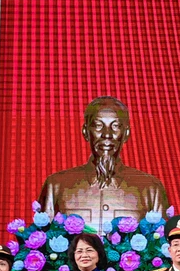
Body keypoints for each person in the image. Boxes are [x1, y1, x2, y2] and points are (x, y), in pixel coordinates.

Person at [37, 96, 170, 232]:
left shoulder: (151, 188)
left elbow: (164, 240)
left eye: (116, 126)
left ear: (126, 133)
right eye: (98, 126)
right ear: (86, 132)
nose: (107, 134)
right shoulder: (56, 186)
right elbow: (40, 238)